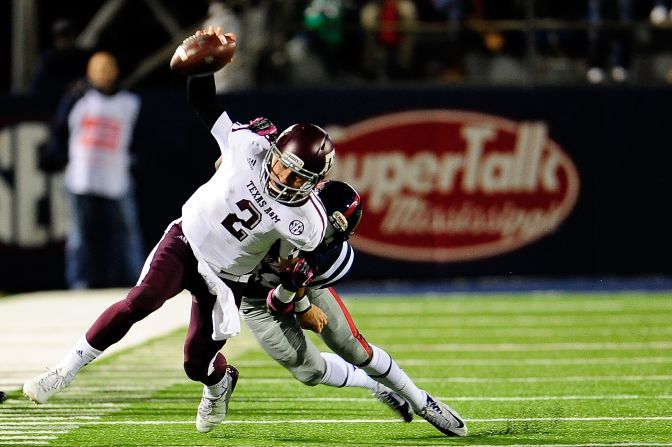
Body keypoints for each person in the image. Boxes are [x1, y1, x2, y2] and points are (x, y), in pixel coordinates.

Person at [23, 27, 336, 436]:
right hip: (186, 239)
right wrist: (203, 67)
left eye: (296, 178)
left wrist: (296, 303)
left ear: (313, 183)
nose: (282, 177)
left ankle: (220, 383)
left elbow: (295, 263)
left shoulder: (308, 220)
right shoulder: (247, 148)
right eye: (282, 165)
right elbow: (202, 101)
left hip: (229, 275)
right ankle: (62, 372)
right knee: (141, 300)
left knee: (195, 362)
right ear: (273, 150)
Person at [240, 180, 468, 437]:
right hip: (255, 299)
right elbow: (279, 299)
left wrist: (302, 303)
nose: (321, 232)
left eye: (330, 229)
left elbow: (293, 281)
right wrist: (301, 307)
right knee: (309, 372)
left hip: (302, 284)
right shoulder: (275, 211)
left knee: (352, 346)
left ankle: (422, 402)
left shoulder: (330, 254)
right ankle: (374, 382)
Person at [39, 51, 144, 289]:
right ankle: (79, 283)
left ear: (116, 72)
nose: (104, 74)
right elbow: (60, 132)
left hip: (117, 179)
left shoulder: (129, 103)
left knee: (127, 236)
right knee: (78, 237)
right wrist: (59, 158)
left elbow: (140, 139)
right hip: (81, 178)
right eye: (98, 69)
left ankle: (138, 283)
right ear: (89, 73)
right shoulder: (77, 100)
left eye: (108, 68)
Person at [30, 18, 91, 101]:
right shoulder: (48, 58)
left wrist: (81, 84)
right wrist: (68, 86)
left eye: (67, 36)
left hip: (80, 99)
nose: (64, 41)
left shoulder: (81, 56)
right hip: (51, 102)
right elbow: (40, 85)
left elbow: (87, 79)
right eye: (61, 37)